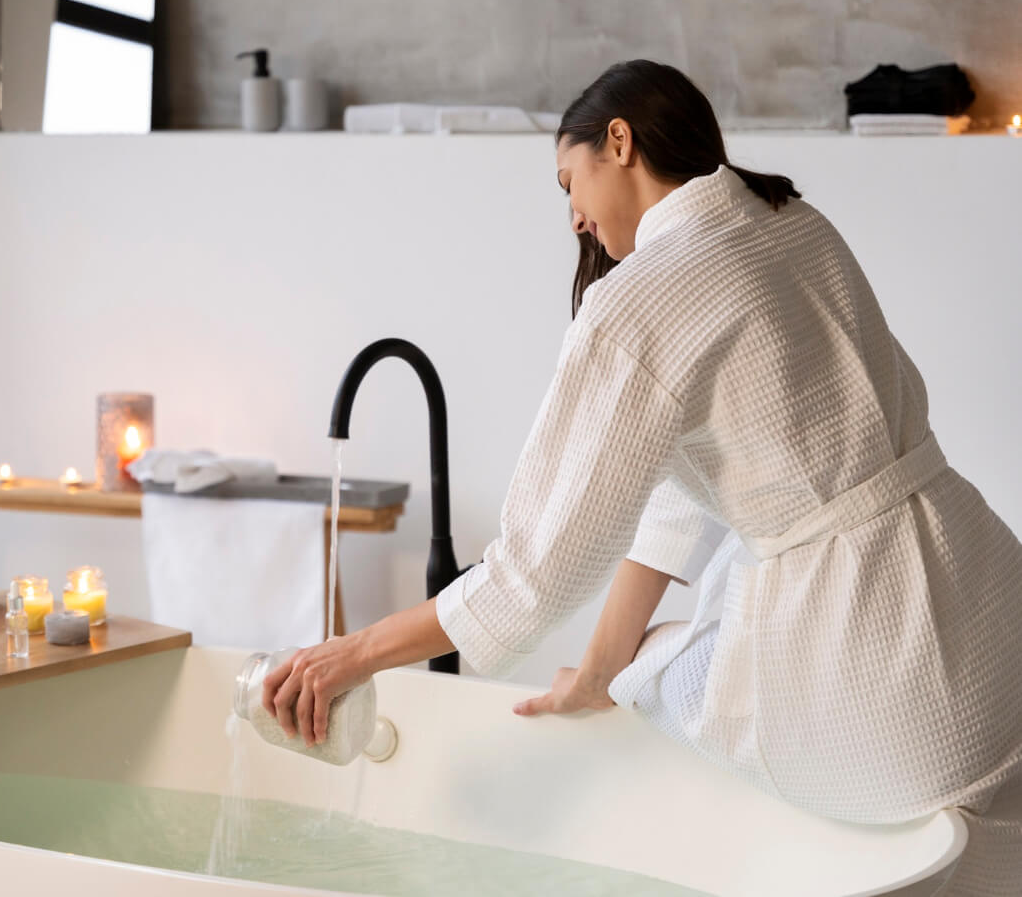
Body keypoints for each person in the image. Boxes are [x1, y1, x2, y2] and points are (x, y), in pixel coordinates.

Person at [262, 60, 1022, 895]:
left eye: (568, 181)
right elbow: (678, 495)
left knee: (664, 669)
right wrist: (595, 672)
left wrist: (357, 652)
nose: (573, 217)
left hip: (868, 657)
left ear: (617, 141)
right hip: (986, 593)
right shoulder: (792, 220)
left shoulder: (640, 300)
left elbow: (531, 575)